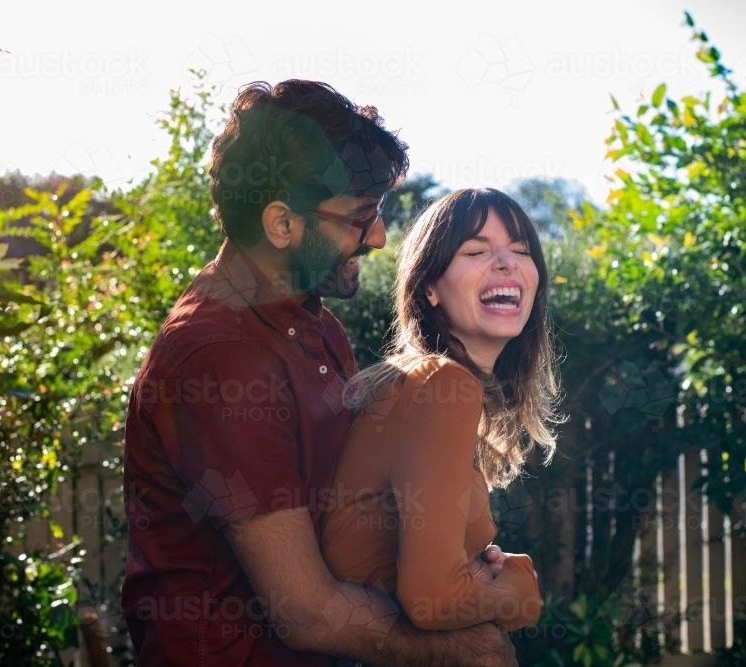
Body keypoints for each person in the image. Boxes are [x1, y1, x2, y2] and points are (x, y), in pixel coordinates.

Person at [122, 80, 517, 666]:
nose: (380, 237)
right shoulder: (219, 360)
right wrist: (461, 647)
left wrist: (455, 571)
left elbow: (347, 519)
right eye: (361, 216)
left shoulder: (313, 324)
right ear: (282, 224)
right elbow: (305, 611)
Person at [321, 188, 560, 633]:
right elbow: (434, 601)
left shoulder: (425, 383)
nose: (507, 262)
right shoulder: (441, 385)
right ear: (429, 287)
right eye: (476, 250)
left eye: (522, 250)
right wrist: (521, 590)